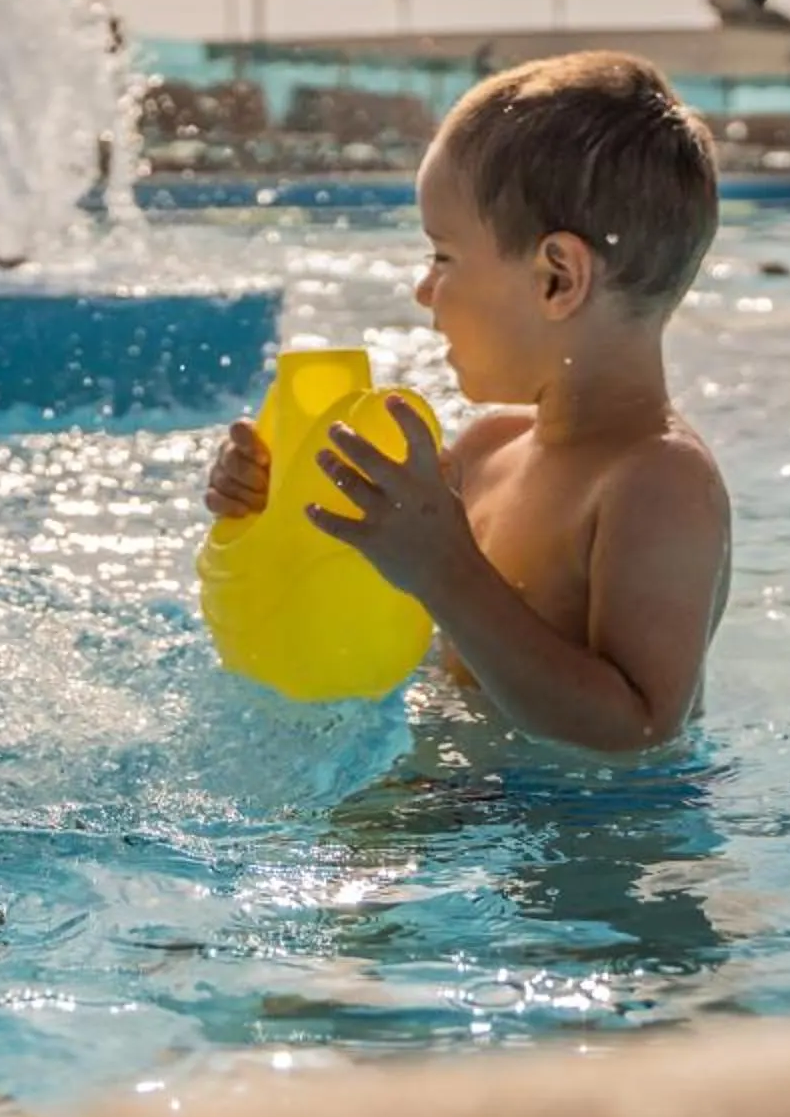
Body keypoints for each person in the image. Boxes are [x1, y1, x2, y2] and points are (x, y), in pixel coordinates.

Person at [201, 52, 731, 753]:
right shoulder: (485, 451)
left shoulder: (658, 483)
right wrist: (276, 508)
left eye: (443, 257)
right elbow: (379, 609)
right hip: (464, 798)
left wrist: (445, 572)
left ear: (556, 278)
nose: (424, 289)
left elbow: (637, 729)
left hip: (591, 843)